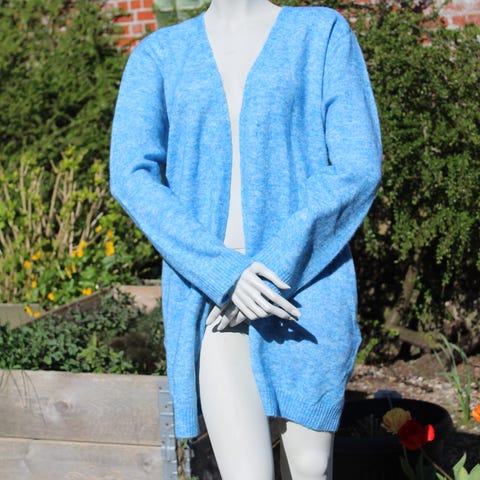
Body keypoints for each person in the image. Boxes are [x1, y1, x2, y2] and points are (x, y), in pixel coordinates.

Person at [109, 1, 382, 478]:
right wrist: (222, 272)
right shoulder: (158, 54)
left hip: (307, 284)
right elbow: (131, 176)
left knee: (311, 467)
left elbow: (357, 165)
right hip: (214, 296)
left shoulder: (320, 34)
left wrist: (276, 265)